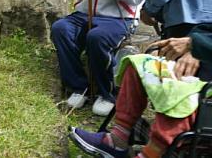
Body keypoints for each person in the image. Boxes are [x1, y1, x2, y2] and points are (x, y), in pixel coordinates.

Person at [70, 24, 212, 158]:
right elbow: (205, 27)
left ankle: (150, 154)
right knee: (139, 65)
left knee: (177, 96)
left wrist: (196, 45)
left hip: (205, 82)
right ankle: (117, 139)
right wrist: (183, 46)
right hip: (200, 67)